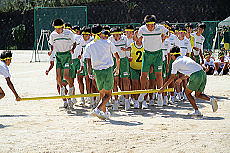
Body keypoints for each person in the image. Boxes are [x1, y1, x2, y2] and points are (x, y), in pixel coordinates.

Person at [159, 46, 218, 116]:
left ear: (173, 55)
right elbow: (191, 71)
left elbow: (172, 77)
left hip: (196, 75)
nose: (171, 57)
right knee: (198, 95)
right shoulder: (185, 58)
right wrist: (181, 79)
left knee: (187, 93)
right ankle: (211, 100)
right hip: (202, 73)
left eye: (171, 55)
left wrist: (163, 87)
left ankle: (197, 111)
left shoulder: (175, 63)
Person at [84, 25, 120, 120]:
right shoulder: (107, 43)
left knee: (102, 93)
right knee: (108, 95)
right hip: (107, 70)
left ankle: (103, 112)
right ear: (101, 33)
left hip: (97, 71)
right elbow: (117, 56)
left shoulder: (89, 45)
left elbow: (88, 60)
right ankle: (98, 109)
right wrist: (117, 68)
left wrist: (89, 72)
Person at [136, 15, 168, 107]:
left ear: (155, 24)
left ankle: (160, 95)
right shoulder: (142, 29)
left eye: (152, 25)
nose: (150, 27)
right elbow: (137, 37)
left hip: (158, 54)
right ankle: (142, 93)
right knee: (143, 74)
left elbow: (167, 33)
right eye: (148, 25)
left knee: (159, 74)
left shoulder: (160, 28)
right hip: (147, 54)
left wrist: (163, 38)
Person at [49, 18, 76, 109]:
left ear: (62, 27)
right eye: (56, 28)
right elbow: (52, 45)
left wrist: (72, 49)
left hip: (67, 55)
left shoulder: (69, 33)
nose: (57, 30)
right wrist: (50, 51)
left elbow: (74, 42)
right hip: (58, 56)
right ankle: (62, 89)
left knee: (66, 76)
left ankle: (71, 87)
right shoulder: (53, 35)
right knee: (58, 78)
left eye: (59, 28)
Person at [109, 27, 131, 110]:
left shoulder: (125, 39)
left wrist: (126, 50)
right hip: (114, 61)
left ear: (120, 34)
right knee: (114, 81)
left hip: (123, 60)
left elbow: (130, 47)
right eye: (114, 35)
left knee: (125, 80)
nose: (115, 37)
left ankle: (127, 100)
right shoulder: (110, 39)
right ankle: (116, 100)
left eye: (117, 35)